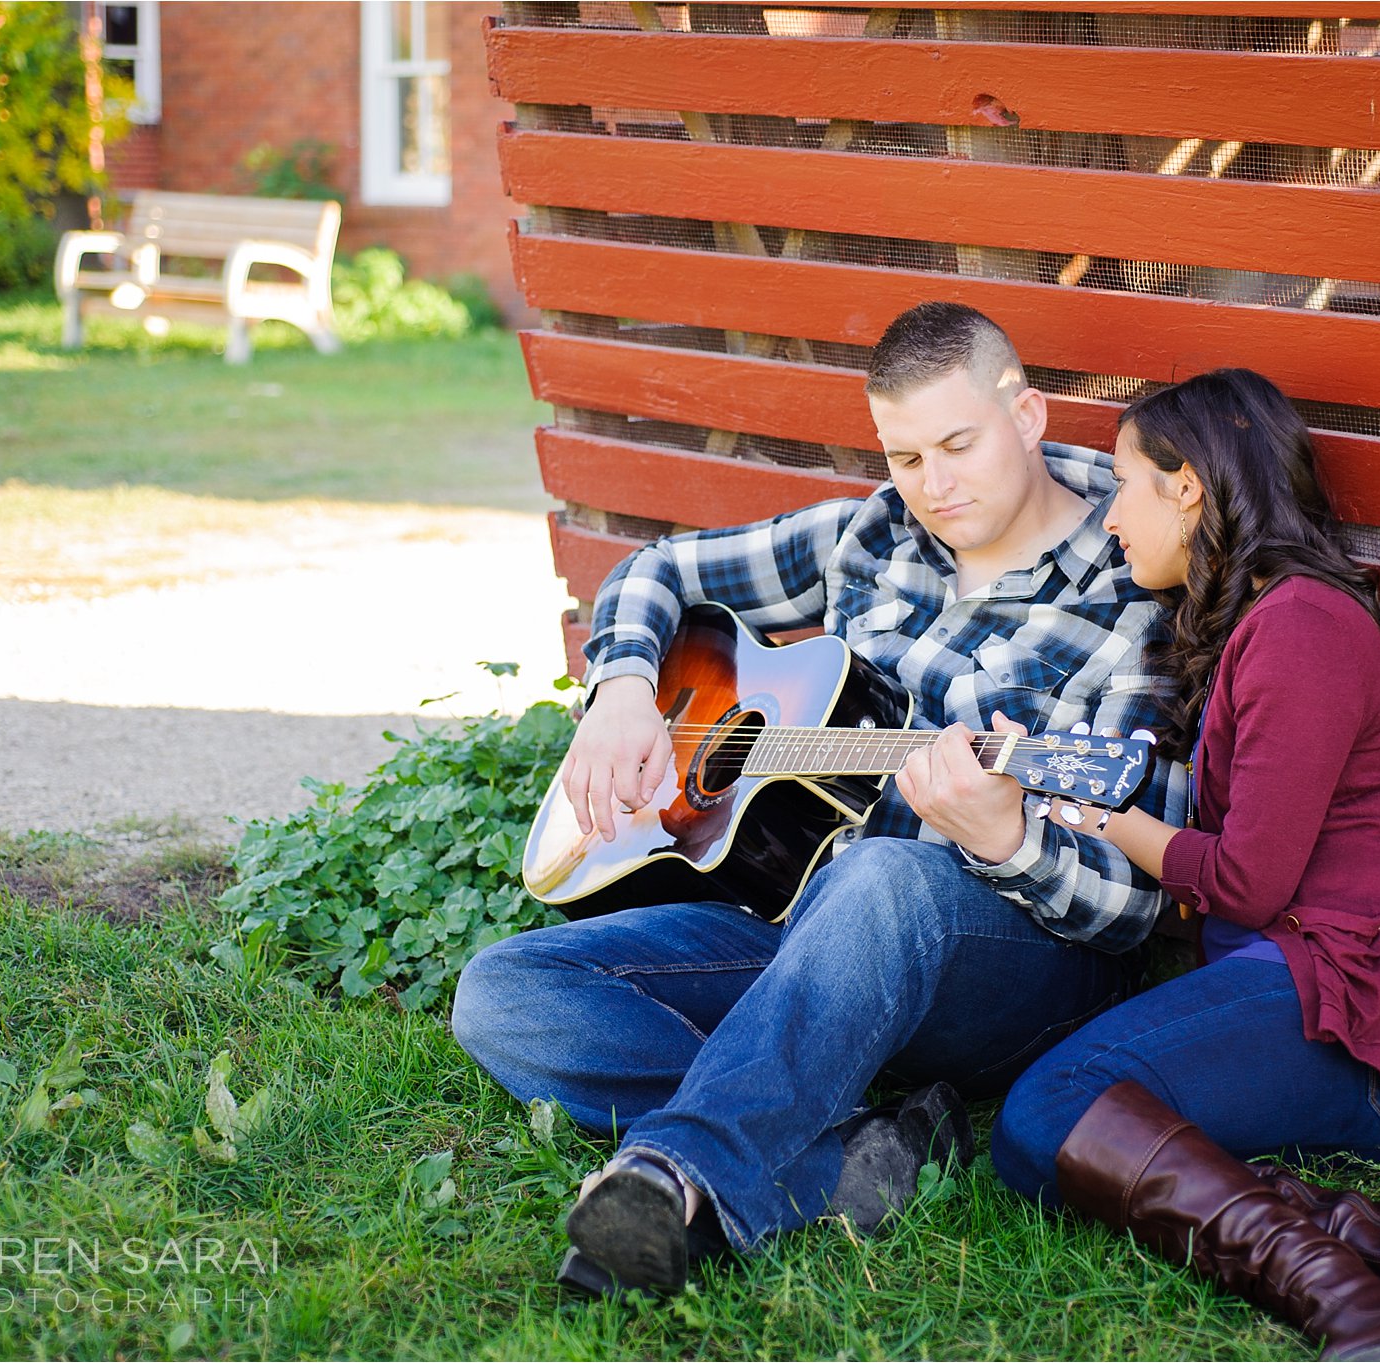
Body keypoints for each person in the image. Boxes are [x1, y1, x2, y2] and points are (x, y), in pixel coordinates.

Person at [450, 301, 1187, 1296]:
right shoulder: (869, 537)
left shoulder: (1130, 585)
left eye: (957, 445)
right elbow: (653, 569)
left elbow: (1133, 906)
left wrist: (1007, 837)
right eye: (905, 456)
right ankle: (846, 1155)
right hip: (809, 938)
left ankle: (673, 1178)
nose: (934, 486)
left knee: (889, 875)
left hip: (1013, 966)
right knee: (506, 993)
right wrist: (623, 686)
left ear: (1026, 414)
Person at [989, 368, 1380, 1360]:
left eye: (1121, 486)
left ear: (1185, 485)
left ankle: (1348, 1302)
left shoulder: (1300, 628)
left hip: (1348, 1011)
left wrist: (1101, 823)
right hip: (1293, 987)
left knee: (1046, 1115)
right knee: (1045, 1133)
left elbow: (1243, 883)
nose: (1110, 519)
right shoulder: (1265, 624)